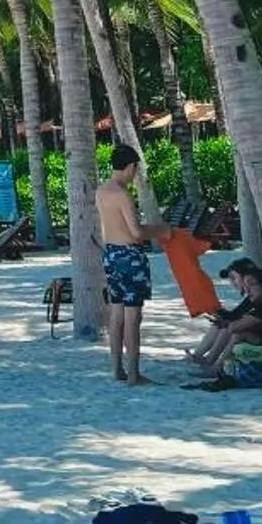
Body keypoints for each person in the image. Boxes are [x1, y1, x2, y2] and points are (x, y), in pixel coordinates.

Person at [96, 142, 169, 384]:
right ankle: (134, 373)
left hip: (111, 254)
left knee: (116, 312)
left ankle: (117, 368)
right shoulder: (122, 195)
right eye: (135, 169)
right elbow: (136, 232)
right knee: (133, 316)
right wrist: (161, 230)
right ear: (130, 167)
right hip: (130, 256)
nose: (135, 174)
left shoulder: (102, 191)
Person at [189, 260, 262, 389]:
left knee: (237, 332)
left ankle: (215, 366)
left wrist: (230, 320)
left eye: (250, 285)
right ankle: (208, 361)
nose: (247, 290)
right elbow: (235, 317)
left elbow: (235, 325)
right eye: (246, 287)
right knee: (228, 327)